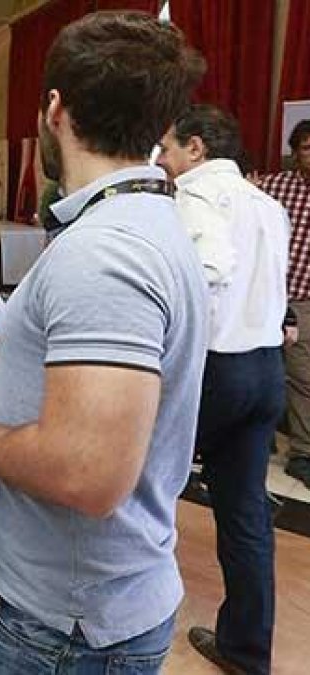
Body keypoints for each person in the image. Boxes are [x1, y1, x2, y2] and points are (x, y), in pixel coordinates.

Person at [0, 12, 207, 674]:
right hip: (77, 605)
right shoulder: (140, 221)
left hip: (59, 627)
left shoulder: (103, 253)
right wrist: (9, 353)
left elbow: (88, 470)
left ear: (55, 109)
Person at [156, 104, 288, 675]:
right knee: (246, 515)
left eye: (167, 147)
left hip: (215, 368)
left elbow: (209, 267)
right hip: (265, 370)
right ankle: (245, 650)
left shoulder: (195, 194)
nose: (161, 158)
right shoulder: (268, 204)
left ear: (197, 148)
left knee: (145, 491)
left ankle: (132, 632)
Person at [256, 120, 310, 489]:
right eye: (306, 147)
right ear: (295, 152)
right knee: (262, 370)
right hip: (266, 295)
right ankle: (268, 442)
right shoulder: (275, 186)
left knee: (302, 377)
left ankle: (302, 452)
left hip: (305, 300)